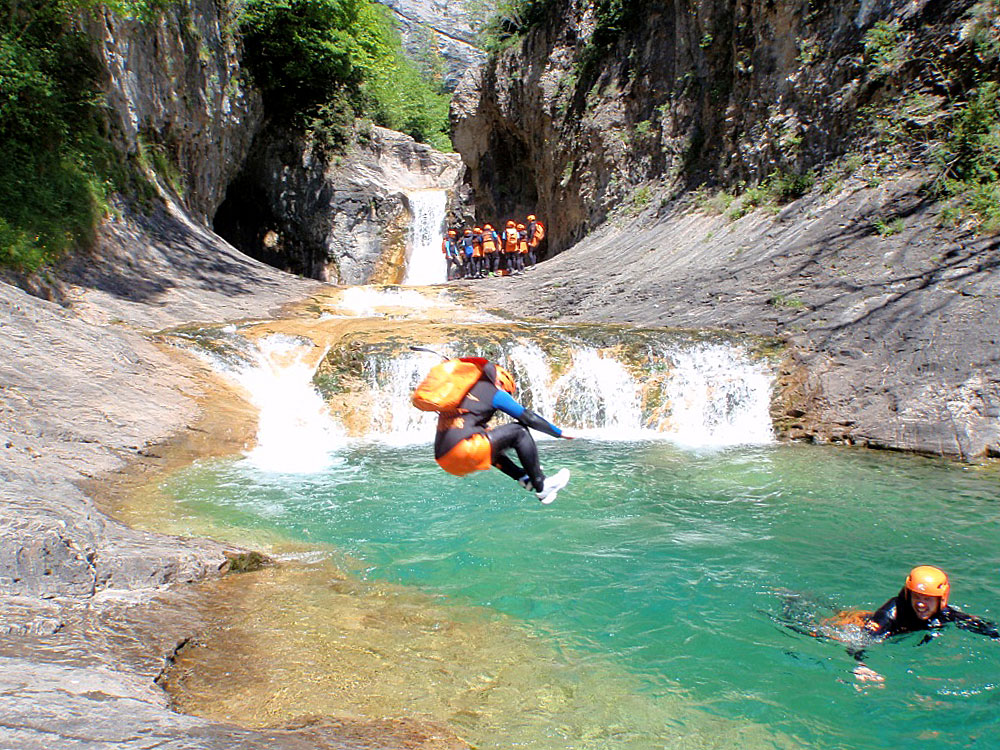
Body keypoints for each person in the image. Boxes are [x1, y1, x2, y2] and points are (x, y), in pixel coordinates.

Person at [430, 359, 573, 504]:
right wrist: (559, 433)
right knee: (519, 431)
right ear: (501, 383)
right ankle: (542, 485)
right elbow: (528, 417)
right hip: (462, 450)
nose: (507, 395)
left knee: (487, 439)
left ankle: (523, 477)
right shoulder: (494, 392)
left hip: (444, 459)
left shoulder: (460, 391)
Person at [847, 566, 999, 682]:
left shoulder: (944, 614)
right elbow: (860, 640)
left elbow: (981, 626)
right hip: (857, 621)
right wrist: (862, 665)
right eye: (917, 597)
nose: (921, 604)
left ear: (941, 599)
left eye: (928, 599)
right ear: (908, 595)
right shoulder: (890, 613)